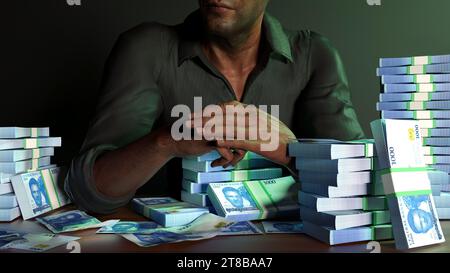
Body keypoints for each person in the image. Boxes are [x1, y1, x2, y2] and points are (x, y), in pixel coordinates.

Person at [65, 0, 365, 214]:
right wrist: (167, 141)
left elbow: (362, 187)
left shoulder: (314, 55)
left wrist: (286, 149)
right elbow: (88, 192)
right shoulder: (146, 47)